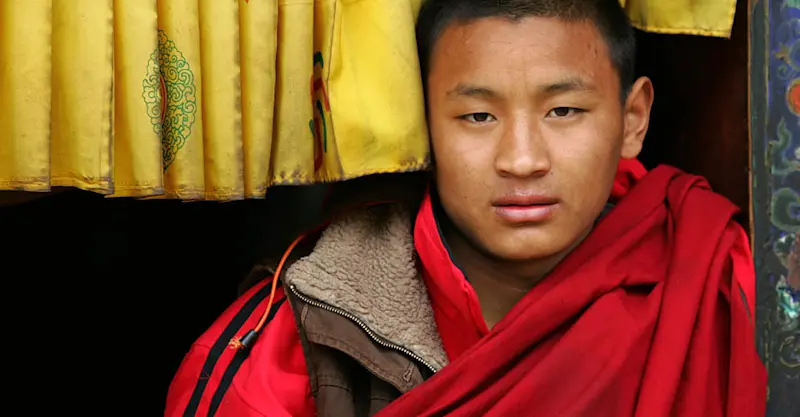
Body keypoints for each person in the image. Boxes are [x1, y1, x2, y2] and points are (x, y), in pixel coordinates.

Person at [165, 0, 767, 415]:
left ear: (633, 120)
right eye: (478, 116)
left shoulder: (721, 280)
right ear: (424, 127)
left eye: (564, 111)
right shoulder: (297, 338)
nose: (523, 159)